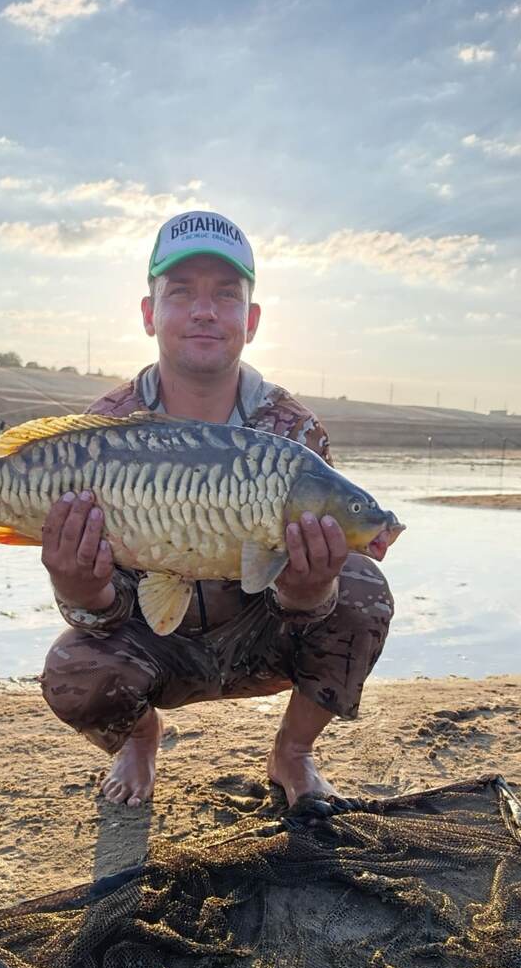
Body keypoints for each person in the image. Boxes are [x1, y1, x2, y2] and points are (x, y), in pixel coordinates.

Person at [40, 211, 394, 809]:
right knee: (71, 666)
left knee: (360, 588)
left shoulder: (293, 432)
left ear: (250, 321)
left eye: (226, 296)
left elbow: (308, 616)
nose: (205, 310)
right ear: (149, 313)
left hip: (261, 636)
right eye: (181, 293)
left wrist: (310, 588)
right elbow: (101, 619)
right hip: (155, 643)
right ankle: (139, 739)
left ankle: (293, 752)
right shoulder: (102, 429)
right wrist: (78, 586)